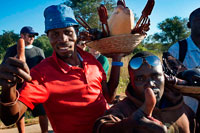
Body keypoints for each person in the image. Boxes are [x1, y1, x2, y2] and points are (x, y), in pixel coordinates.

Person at [0, 4, 124, 133]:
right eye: (55, 34)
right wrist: (8, 88)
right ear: (48, 37)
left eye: (68, 32)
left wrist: (117, 59)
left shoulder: (90, 60)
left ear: (76, 33)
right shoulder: (41, 74)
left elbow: (108, 97)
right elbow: (9, 118)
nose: (63, 39)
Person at [93, 51, 196, 133]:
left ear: (164, 77)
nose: (150, 84)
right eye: (140, 79)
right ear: (131, 83)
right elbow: (101, 127)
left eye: (155, 76)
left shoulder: (181, 108)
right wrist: (128, 125)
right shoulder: (123, 110)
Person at [1, 26, 48, 133]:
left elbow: (45, 68)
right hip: (18, 87)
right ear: (22, 36)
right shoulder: (12, 50)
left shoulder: (39, 51)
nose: (32, 38)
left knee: (43, 113)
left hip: (35, 87)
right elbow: (5, 66)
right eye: (30, 35)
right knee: (19, 115)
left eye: (34, 36)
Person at [168, 8, 200, 115]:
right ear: (189, 25)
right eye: (198, 19)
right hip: (185, 111)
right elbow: (170, 83)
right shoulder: (178, 49)